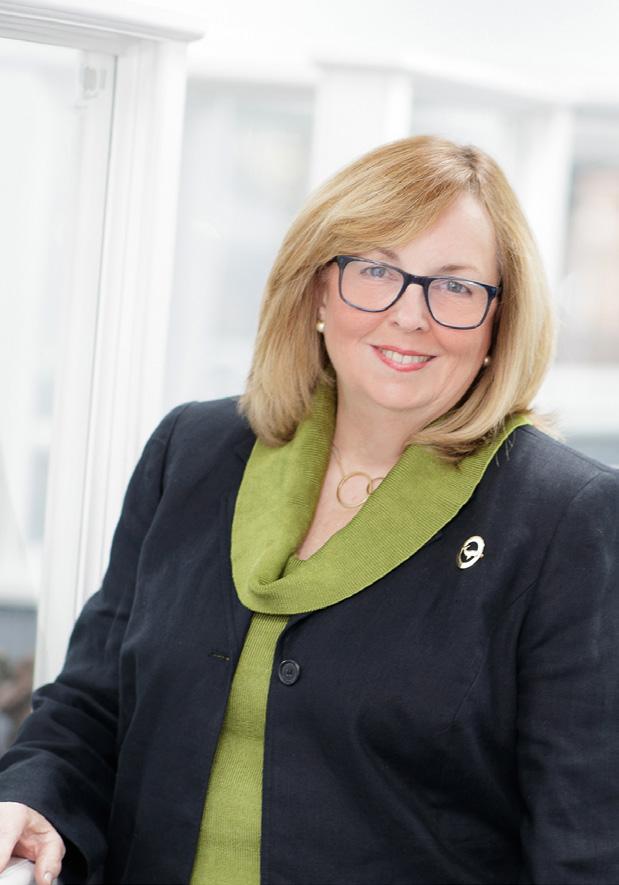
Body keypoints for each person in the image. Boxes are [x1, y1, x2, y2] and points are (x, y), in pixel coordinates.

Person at [0, 134, 618, 885]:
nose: (410, 314)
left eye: (455, 287)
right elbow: (93, 704)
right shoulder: (193, 451)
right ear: (319, 289)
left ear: (499, 321)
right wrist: (30, 797)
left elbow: (586, 840)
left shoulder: (566, 518)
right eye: (375, 270)